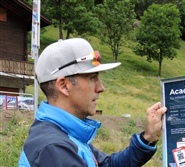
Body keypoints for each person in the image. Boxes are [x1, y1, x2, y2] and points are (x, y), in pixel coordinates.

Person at [18, 38, 167, 167]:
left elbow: (106, 165)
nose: (101, 88)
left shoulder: (67, 135)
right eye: (92, 78)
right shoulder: (54, 148)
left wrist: (148, 138)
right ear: (64, 85)